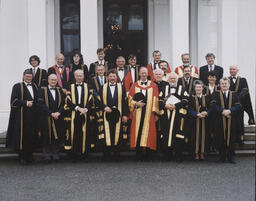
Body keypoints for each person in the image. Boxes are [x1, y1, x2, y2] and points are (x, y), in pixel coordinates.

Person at [6, 69, 39, 165]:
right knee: (23, 136)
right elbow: (13, 101)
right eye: (27, 76)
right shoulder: (17, 86)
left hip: (33, 116)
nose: (29, 78)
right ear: (23, 76)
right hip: (22, 117)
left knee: (32, 135)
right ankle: (22, 156)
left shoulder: (35, 86)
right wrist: (25, 102)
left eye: (30, 76)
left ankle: (30, 155)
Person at [128, 67, 161, 161]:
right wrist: (135, 104)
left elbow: (156, 100)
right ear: (139, 74)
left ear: (147, 74)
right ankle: (138, 154)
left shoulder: (153, 85)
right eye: (142, 73)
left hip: (149, 114)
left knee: (149, 133)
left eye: (145, 73)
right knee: (138, 132)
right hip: (137, 113)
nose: (143, 74)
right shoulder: (134, 85)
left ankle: (148, 154)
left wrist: (155, 113)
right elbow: (130, 99)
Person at [98, 70, 129, 161]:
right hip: (106, 114)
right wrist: (104, 107)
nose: (112, 78)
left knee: (117, 133)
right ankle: (106, 154)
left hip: (118, 114)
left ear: (116, 78)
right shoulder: (102, 87)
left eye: (113, 76)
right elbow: (98, 101)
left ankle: (117, 154)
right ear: (107, 77)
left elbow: (125, 102)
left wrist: (125, 114)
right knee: (107, 133)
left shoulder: (121, 87)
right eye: (110, 76)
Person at [65, 69, 95, 162]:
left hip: (85, 113)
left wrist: (85, 109)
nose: (79, 77)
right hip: (74, 113)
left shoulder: (88, 86)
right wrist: (78, 108)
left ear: (83, 76)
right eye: (77, 76)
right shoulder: (70, 87)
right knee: (74, 133)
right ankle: (74, 154)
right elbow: (68, 100)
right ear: (74, 77)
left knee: (85, 133)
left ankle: (84, 154)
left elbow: (91, 100)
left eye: (80, 76)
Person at [159, 72, 189, 161]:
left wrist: (175, 106)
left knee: (178, 134)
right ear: (168, 80)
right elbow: (159, 101)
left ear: (177, 79)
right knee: (166, 134)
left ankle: (178, 155)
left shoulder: (182, 89)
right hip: (166, 115)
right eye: (171, 78)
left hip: (178, 116)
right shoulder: (164, 89)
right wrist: (165, 106)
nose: (173, 80)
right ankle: (167, 155)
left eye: (174, 79)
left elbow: (186, 100)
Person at [211, 77, 241, 163]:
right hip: (219, 119)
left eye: (226, 83)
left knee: (231, 137)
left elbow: (238, 106)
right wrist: (222, 111)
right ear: (220, 85)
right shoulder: (215, 94)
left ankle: (231, 157)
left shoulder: (234, 94)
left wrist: (230, 111)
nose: (224, 85)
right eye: (222, 84)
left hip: (231, 119)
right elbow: (213, 105)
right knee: (220, 137)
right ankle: (222, 156)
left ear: (229, 85)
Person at [38, 74, 65, 163]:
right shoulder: (42, 90)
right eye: (52, 80)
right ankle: (47, 155)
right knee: (46, 136)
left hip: (57, 117)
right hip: (46, 117)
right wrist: (50, 113)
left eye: (55, 80)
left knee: (56, 135)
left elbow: (63, 103)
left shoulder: (59, 90)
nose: (53, 81)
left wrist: (59, 112)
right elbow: (40, 104)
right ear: (48, 80)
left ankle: (56, 154)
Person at [228, 65, 255, 143]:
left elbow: (245, 90)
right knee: (231, 123)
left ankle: (240, 139)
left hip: (240, 105)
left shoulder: (243, 80)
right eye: (231, 69)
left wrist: (237, 98)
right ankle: (232, 139)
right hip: (229, 105)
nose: (232, 70)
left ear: (237, 70)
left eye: (234, 69)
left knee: (239, 122)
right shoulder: (227, 79)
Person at [188, 80, 212, 160]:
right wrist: (196, 114)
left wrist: (206, 112)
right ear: (194, 88)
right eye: (197, 87)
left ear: (202, 88)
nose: (198, 88)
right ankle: (195, 153)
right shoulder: (191, 97)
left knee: (204, 136)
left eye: (200, 87)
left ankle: (203, 153)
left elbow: (211, 107)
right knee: (195, 137)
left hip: (205, 121)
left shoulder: (207, 97)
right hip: (194, 121)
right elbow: (189, 108)